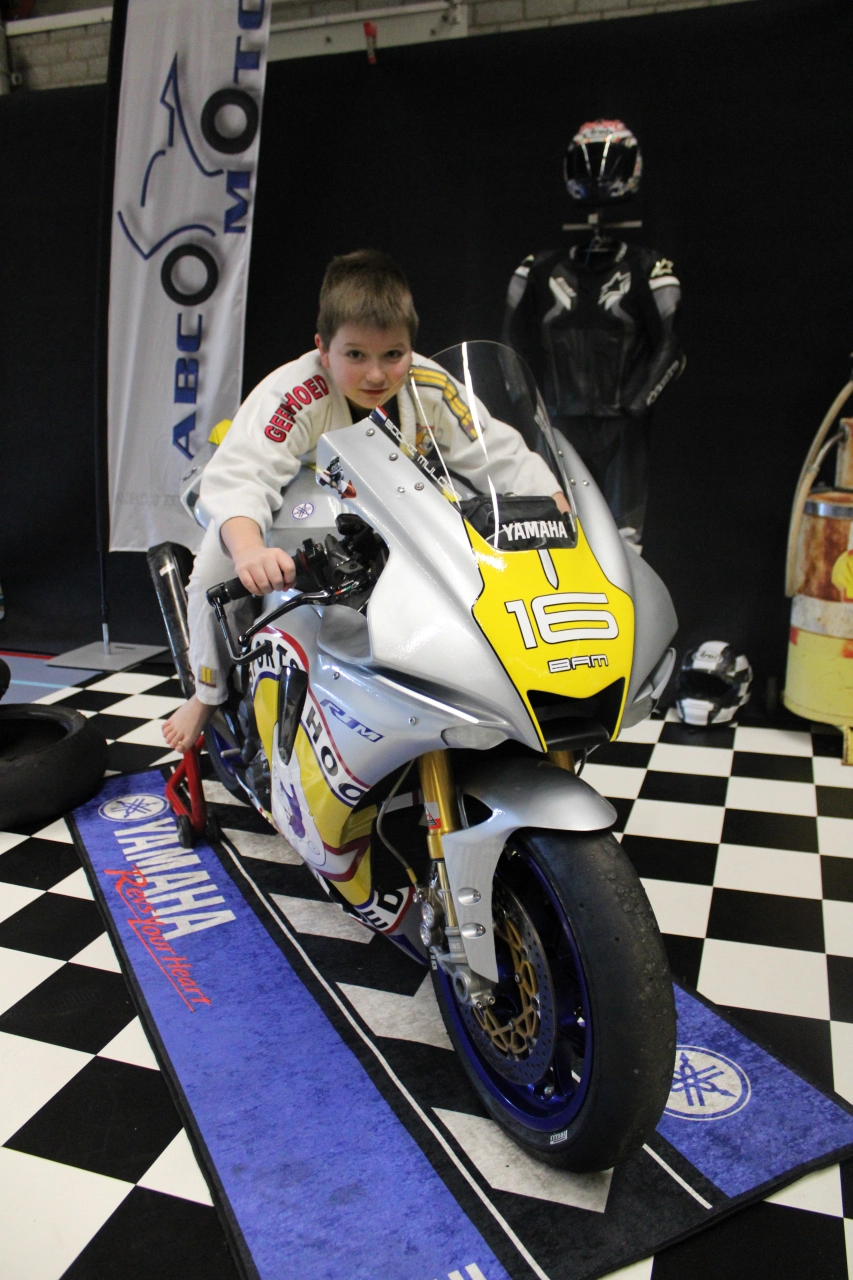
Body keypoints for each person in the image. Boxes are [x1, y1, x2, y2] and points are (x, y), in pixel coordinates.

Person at [163, 249, 566, 753]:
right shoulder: (295, 393)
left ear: (411, 348)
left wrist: (557, 509)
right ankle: (206, 692)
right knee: (212, 574)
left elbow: (498, 452)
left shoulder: (430, 385)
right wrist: (248, 551)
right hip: (290, 507)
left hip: (381, 503)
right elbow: (245, 476)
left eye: (393, 354)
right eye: (355, 355)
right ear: (323, 348)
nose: (376, 375)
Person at [503, 119, 683, 547]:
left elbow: (672, 348)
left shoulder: (650, 269)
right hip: (559, 426)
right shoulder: (537, 270)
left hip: (622, 431)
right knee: (556, 533)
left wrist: (638, 405)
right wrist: (527, 406)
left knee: (625, 544)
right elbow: (509, 342)